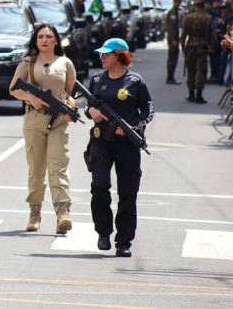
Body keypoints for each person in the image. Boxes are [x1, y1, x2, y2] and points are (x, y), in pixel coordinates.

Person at [83, 38, 153, 258]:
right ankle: (103, 232)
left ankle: (124, 241)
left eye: (107, 54)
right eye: (101, 53)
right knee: (100, 185)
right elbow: (89, 105)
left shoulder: (135, 81)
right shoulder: (97, 80)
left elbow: (148, 111)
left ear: (120, 56)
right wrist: (90, 112)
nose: (102, 57)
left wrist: (133, 127)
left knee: (128, 193)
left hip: (127, 143)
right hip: (101, 140)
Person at [9, 23, 78, 235]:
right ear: (36, 40)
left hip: (59, 121)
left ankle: (63, 214)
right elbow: (13, 89)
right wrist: (31, 98)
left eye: (49, 36)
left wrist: (70, 107)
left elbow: (70, 93)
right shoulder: (28, 62)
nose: (45, 40)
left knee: (58, 167)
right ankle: (35, 213)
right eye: (41, 37)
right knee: (36, 169)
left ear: (56, 40)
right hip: (35, 120)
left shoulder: (65, 63)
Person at [180, 0, 211, 103]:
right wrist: (210, 46)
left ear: (195, 6)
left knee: (191, 70)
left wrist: (183, 48)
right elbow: (210, 34)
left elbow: (183, 34)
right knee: (200, 71)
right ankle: (199, 95)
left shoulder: (188, 18)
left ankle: (191, 94)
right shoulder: (208, 18)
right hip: (202, 47)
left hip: (190, 46)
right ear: (203, 6)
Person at [163, 0, 182, 85]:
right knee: (172, 58)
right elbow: (171, 27)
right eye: (176, 2)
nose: (178, 4)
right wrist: (174, 39)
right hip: (172, 38)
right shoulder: (172, 13)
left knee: (174, 58)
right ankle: (170, 77)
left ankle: (171, 76)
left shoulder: (176, 12)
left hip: (175, 38)